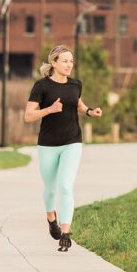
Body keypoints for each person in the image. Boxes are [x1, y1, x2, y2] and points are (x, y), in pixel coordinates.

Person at [24, 45, 102, 252]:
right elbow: (28, 115)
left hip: (72, 142)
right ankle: (51, 218)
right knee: (50, 188)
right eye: (65, 61)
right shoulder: (41, 86)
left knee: (65, 186)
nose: (69, 65)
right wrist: (49, 109)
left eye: (71, 61)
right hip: (48, 144)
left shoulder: (76, 84)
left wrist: (89, 111)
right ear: (54, 63)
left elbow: (76, 103)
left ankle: (66, 232)